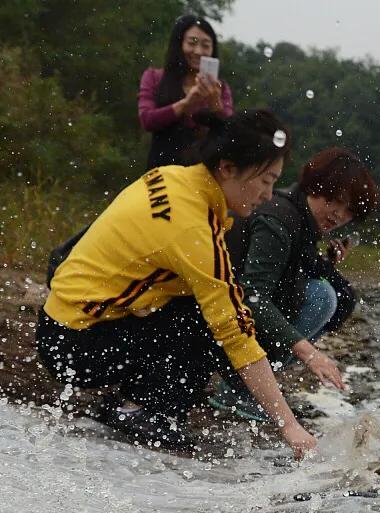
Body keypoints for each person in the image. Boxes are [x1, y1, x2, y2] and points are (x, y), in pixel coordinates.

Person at [37, 109, 317, 459]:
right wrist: (287, 426)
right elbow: (236, 334)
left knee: (208, 307)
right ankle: (140, 410)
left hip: (63, 321)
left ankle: (137, 399)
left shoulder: (172, 177)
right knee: (214, 323)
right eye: (265, 180)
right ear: (227, 169)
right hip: (74, 348)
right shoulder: (191, 229)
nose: (268, 194)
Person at [210, 147, 380, 420]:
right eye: (334, 201)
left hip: (236, 329)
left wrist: (328, 263)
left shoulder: (301, 218)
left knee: (336, 293)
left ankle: (252, 386)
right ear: (316, 186)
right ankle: (240, 388)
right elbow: (251, 296)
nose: (338, 214)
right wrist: (309, 353)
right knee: (322, 297)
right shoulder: (278, 218)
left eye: (349, 211)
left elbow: (295, 271)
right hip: (215, 328)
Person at [138, 15, 233, 170]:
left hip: (202, 171)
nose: (198, 51)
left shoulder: (220, 88)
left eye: (206, 45)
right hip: (161, 169)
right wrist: (186, 103)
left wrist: (215, 103)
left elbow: (230, 133)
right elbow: (147, 120)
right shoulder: (154, 77)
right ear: (179, 43)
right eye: (192, 43)